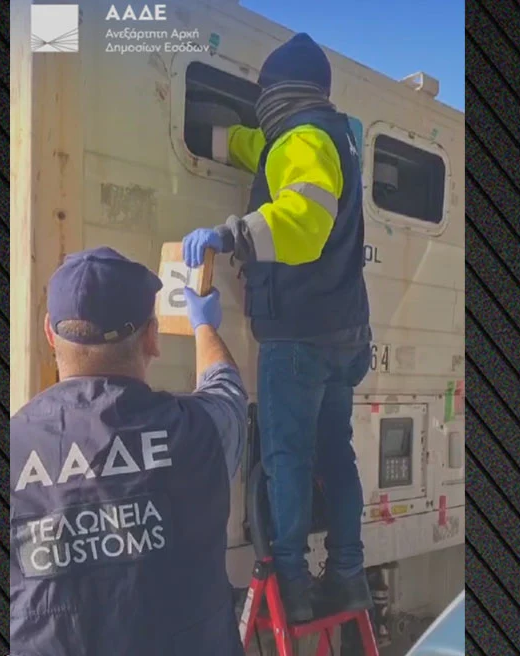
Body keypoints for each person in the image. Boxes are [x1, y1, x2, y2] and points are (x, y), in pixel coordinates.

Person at [181, 32, 373, 623]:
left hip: (299, 333)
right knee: (335, 452)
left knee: (288, 457)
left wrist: (230, 234)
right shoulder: (327, 135)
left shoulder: (304, 137)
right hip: (342, 330)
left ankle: (292, 584)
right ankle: (347, 577)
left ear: (278, 92)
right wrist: (214, 134)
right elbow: (259, 147)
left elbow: (304, 220)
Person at [9, 246, 247, 656]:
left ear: (50, 333)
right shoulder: (196, 433)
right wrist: (204, 325)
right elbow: (226, 390)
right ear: (152, 338)